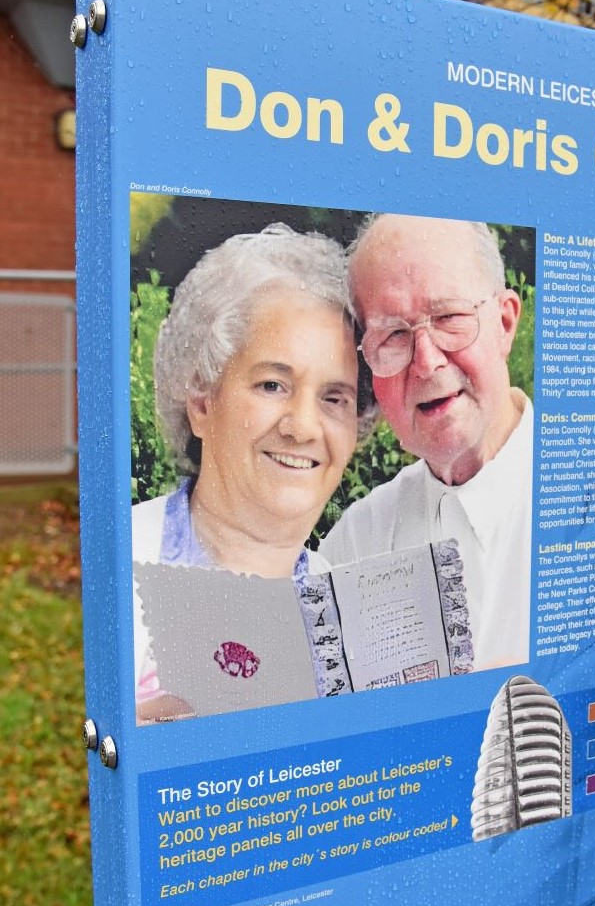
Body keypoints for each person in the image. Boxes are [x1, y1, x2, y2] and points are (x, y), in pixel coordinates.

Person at [133, 223, 364, 722]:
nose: (303, 427)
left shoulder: (358, 619)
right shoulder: (115, 563)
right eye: (272, 385)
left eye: (334, 398)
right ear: (201, 401)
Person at [319, 213, 532, 670]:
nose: (427, 362)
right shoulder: (356, 544)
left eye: (449, 317)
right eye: (394, 335)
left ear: (505, 323)